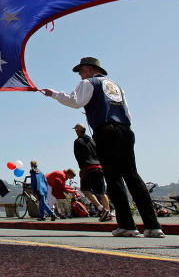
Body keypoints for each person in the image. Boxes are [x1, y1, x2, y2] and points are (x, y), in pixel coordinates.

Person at [41, 56, 165, 238]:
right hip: (125, 130)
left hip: (106, 131)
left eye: (81, 71)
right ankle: (153, 225)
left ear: (90, 69)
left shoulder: (88, 83)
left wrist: (54, 94)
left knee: (114, 178)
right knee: (133, 176)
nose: (80, 75)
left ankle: (127, 225)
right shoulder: (115, 87)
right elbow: (126, 112)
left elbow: (75, 101)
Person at [73, 123, 112, 221]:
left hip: (87, 168)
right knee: (102, 192)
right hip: (99, 167)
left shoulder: (77, 141)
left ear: (78, 131)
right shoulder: (92, 141)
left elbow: (78, 156)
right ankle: (108, 212)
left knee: (85, 190)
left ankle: (101, 208)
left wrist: (82, 169)